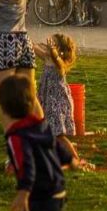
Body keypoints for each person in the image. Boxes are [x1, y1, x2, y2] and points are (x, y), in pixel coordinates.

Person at [0, 75, 76, 211]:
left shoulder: (16, 137)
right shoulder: (41, 125)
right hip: (58, 191)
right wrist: (70, 160)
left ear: (4, 109)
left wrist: (23, 193)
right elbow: (56, 146)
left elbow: (26, 165)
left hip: (39, 196)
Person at [34, 34, 83, 165]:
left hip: (57, 102)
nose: (48, 45)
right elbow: (32, 47)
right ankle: (57, 158)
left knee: (58, 135)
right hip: (48, 101)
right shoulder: (47, 58)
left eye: (53, 44)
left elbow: (56, 58)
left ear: (59, 50)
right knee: (50, 133)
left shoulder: (59, 64)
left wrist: (52, 50)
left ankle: (75, 159)